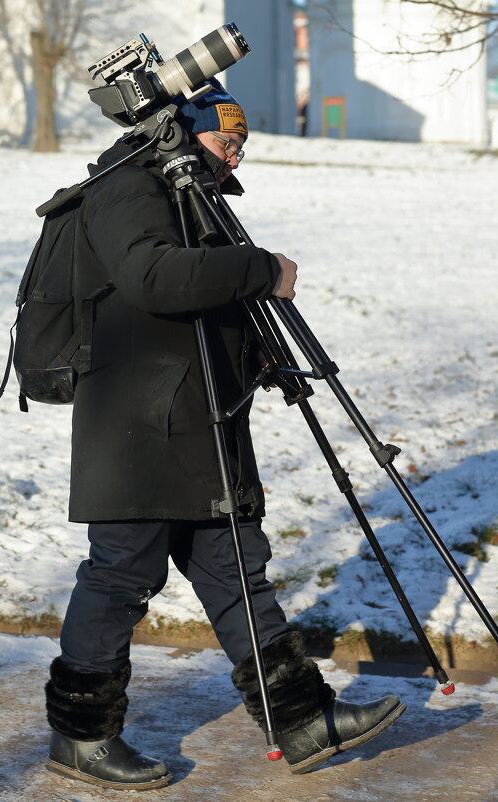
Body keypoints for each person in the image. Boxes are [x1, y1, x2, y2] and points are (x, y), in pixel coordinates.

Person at [43, 80, 406, 791]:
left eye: (240, 141)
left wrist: (254, 352)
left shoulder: (188, 194)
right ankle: (80, 739)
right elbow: (153, 278)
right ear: (182, 130)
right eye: (222, 136)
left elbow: (192, 303)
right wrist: (262, 267)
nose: (233, 152)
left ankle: (300, 719)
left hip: (202, 418)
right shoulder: (129, 185)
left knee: (236, 566)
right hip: (139, 424)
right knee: (122, 574)